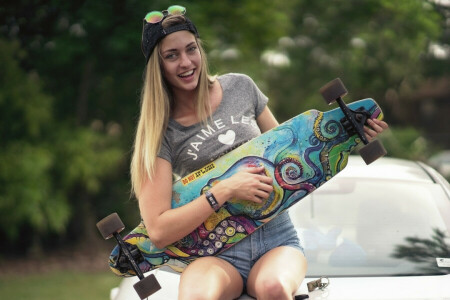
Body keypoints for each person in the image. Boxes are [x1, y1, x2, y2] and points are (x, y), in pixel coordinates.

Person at [130, 5, 388, 300]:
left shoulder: (241, 87)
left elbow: (292, 152)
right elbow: (159, 231)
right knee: (196, 296)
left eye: (191, 49)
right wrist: (225, 189)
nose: (186, 62)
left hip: (277, 240)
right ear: (158, 67)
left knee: (274, 288)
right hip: (215, 253)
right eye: (171, 55)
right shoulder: (160, 132)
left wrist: (346, 135)